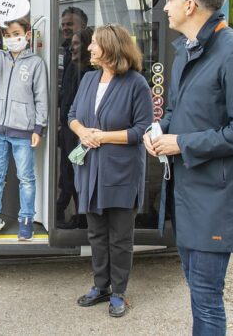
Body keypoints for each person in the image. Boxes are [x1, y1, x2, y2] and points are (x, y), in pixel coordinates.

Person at [144, 0, 233, 334]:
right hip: (190, 196)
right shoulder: (187, 51)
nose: (165, 7)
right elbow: (180, 113)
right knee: (199, 292)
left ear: (191, 6)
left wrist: (180, 142)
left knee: (206, 298)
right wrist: (160, 130)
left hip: (218, 200)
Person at [68, 24, 153, 318]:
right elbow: (71, 116)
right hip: (90, 171)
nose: (90, 48)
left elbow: (142, 130)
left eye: (94, 43)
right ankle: (100, 286)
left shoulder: (136, 83)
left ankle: (118, 291)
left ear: (111, 48)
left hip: (121, 173)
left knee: (119, 238)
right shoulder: (89, 79)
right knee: (96, 234)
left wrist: (101, 136)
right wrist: (82, 132)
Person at [0, 18, 48, 241]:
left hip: (23, 130)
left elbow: (41, 98)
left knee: (26, 177)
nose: (11, 39)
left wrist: (38, 127)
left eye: (15, 34)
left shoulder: (36, 63)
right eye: (7, 35)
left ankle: (26, 221)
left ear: (27, 35)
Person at [57, 27, 94, 229]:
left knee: (76, 172)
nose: (72, 47)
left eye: (77, 43)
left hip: (81, 131)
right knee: (66, 172)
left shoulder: (90, 72)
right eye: (72, 43)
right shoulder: (72, 66)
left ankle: (81, 217)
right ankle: (62, 210)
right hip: (67, 130)